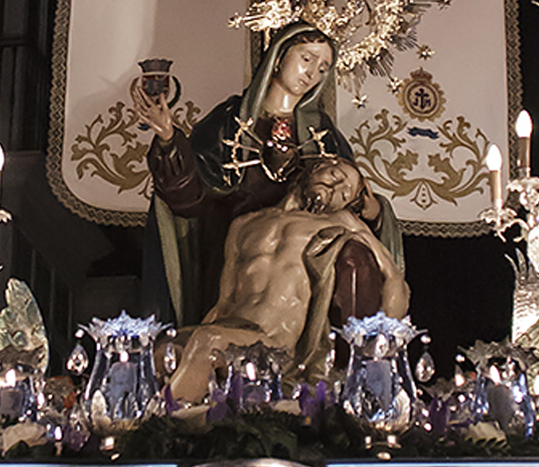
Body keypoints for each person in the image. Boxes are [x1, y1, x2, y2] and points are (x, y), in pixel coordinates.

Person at [131, 22, 403, 325]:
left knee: (354, 259)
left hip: (304, 253)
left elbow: (352, 201)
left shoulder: (322, 133)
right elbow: (190, 199)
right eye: (307, 59)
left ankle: (355, 348)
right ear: (278, 58)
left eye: (323, 68)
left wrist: (373, 210)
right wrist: (169, 139)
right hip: (241, 250)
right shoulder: (229, 122)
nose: (312, 74)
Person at [168, 155, 409, 402]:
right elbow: (224, 301)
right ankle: (181, 414)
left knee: (207, 341)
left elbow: (392, 277)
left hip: (275, 343)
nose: (336, 189)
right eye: (336, 176)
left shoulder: (342, 221)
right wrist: (194, 336)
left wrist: (379, 345)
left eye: (345, 194)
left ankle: (166, 422)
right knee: (165, 350)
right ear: (317, 168)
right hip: (230, 329)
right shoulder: (243, 224)